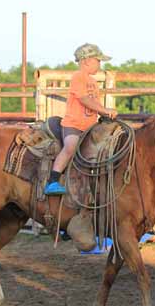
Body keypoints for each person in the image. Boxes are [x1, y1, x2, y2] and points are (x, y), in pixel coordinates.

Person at [44, 43, 118, 195]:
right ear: (87, 61)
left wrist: (104, 114)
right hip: (74, 125)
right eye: (98, 60)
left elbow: (94, 103)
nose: (100, 64)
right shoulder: (78, 77)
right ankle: (53, 180)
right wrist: (104, 110)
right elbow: (84, 99)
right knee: (70, 146)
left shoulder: (93, 82)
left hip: (89, 126)